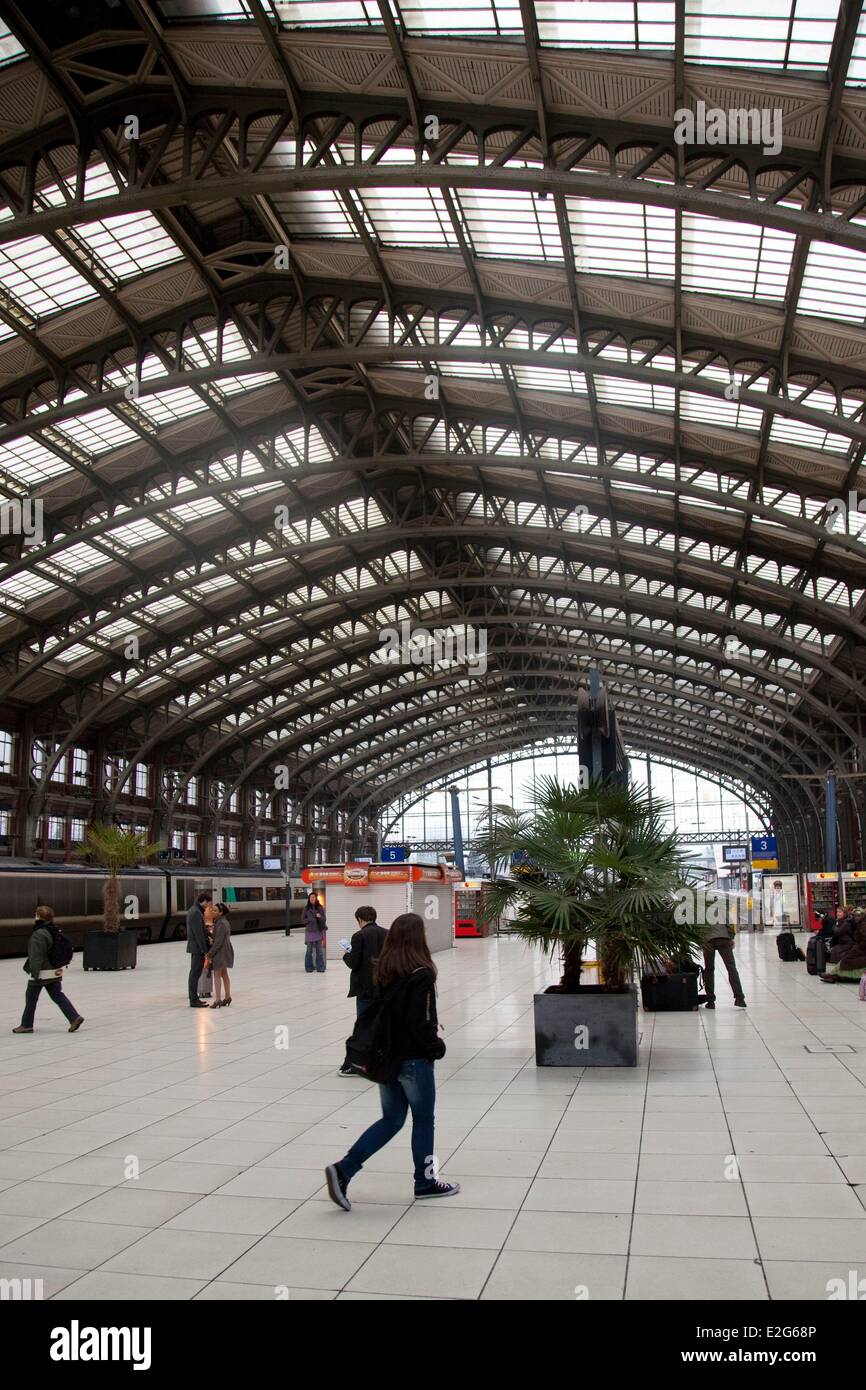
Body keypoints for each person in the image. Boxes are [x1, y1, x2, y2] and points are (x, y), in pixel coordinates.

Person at [325, 912, 459, 1210]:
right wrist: (436, 1048)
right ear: (417, 938)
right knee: (423, 1120)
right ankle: (425, 1183)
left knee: (392, 1119)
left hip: (387, 1059)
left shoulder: (384, 969)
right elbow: (420, 1022)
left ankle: (344, 1169)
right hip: (414, 1060)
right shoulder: (422, 973)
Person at [13, 905, 84, 1035]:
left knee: (31, 997)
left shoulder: (39, 933)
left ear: (39, 917)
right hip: (54, 969)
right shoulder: (54, 930)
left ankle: (26, 1025)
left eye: (36, 914)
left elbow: (36, 956)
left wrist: (35, 974)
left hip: (43, 972)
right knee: (57, 995)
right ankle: (74, 1017)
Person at [338, 905, 387, 1076]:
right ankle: (381, 1058)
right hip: (383, 988)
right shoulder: (386, 933)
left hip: (365, 990)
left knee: (363, 1025)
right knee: (380, 1024)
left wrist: (346, 954)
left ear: (360, 919)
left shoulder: (358, 936)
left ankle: (358, 1063)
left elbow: (354, 963)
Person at [702, 911, 746, 1010]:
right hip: (723, 938)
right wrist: (731, 937)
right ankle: (739, 998)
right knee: (731, 968)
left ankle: (710, 1001)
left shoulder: (699, 907)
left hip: (707, 940)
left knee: (709, 969)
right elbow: (729, 924)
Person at [821, 909, 866, 983]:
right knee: (845, 958)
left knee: (846, 960)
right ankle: (833, 975)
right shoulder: (858, 922)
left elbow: (839, 932)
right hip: (858, 947)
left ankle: (833, 975)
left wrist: (834, 927)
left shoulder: (858, 923)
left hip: (859, 948)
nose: (855, 917)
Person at [206, 903, 234, 1008]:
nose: (212, 912)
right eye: (212, 910)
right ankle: (227, 997)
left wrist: (210, 954)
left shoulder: (221, 923)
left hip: (221, 951)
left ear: (220, 913)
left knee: (217, 975)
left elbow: (218, 942)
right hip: (225, 949)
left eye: (215, 911)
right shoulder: (222, 921)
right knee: (224, 974)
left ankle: (217, 1000)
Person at [187, 892, 211, 1008]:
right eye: (207, 903)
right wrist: (205, 950)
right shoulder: (196, 913)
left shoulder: (194, 910)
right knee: (195, 973)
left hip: (196, 947)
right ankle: (193, 999)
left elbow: (201, 931)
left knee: (195, 973)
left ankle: (194, 998)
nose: (208, 906)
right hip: (197, 949)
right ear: (204, 901)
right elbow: (199, 934)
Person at [303, 892, 327, 973]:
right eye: (310, 897)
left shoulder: (320, 908)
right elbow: (302, 920)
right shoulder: (306, 908)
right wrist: (309, 920)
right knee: (309, 951)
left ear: (316, 898)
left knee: (319, 951)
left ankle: (320, 967)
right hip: (309, 932)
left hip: (318, 931)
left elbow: (324, 919)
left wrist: (320, 917)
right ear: (309, 899)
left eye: (313, 897)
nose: (312, 899)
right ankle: (309, 968)